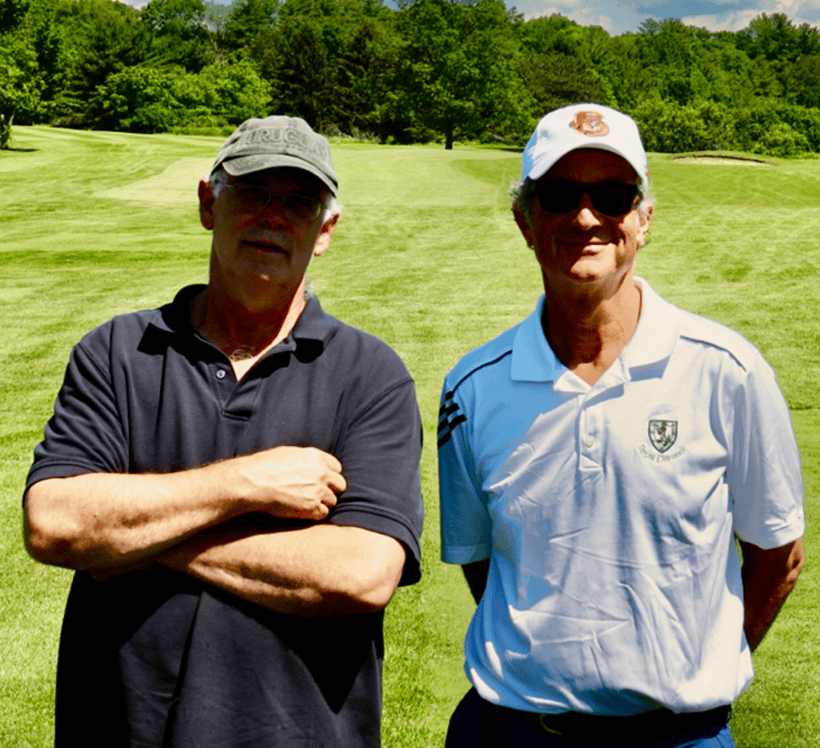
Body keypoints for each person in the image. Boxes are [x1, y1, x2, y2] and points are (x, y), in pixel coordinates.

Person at [24, 115, 424, 748]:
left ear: (325, 230)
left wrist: (137, 541)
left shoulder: (370, 374)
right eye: (253, 192)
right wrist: (246, 483)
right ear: (210, 204)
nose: (273, 217)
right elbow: (54, 522)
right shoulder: (118, 351)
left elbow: (363, 571)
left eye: (300, 202)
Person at [437, 103, 804, 748]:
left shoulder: (727, 370)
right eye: (559, 195)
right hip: (510, 732)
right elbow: (483, 564)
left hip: (680, 738)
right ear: (525, 220)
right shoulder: (472, 387)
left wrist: (700, 670)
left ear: (643, 218)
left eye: (612, 196)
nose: (585, 217)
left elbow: (779, 557)